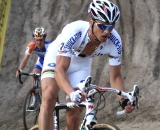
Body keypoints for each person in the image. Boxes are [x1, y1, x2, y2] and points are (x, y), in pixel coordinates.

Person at [39, 0, 135, 130]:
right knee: (49, 97)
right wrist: (71, 92)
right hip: (57, 57)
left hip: (81, 64)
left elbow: (115, 77)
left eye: (110, 27)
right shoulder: (75, 31)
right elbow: (60, 69)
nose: (107, 32)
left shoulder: (115, 41)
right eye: (102, 26)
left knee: (74, 115)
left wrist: (123, 99)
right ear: (91, 22)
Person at [16, 27, 51, 109]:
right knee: (34, 74)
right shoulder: (31, 45)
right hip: (41, 61)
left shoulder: (50, 45)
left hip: (49, 62)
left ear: (44, 39)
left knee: (45, 81)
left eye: (41, 40)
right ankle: (35, 100)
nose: (38, 42)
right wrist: (20, 70)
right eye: (36, 40)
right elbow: (25, 60)